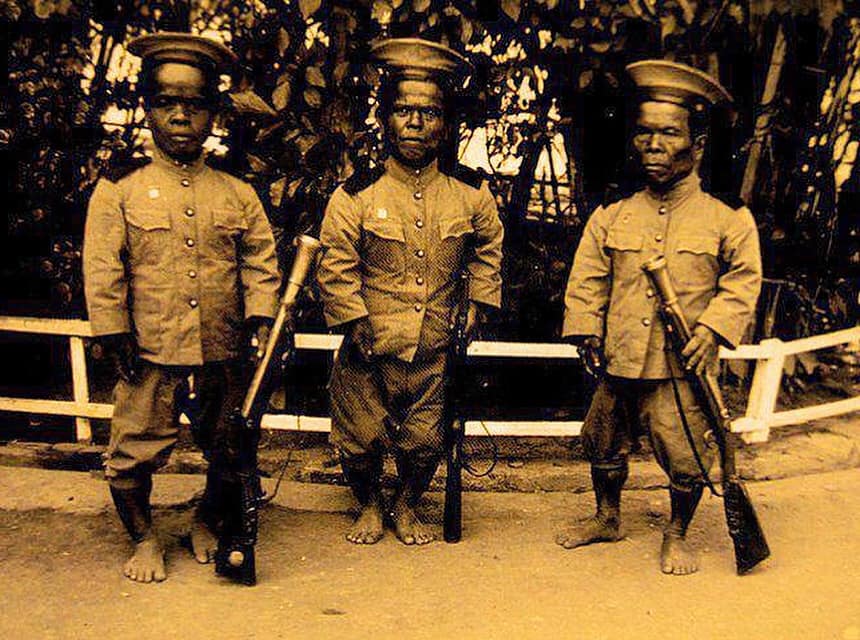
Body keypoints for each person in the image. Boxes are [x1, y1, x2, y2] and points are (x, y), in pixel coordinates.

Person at [83, 32, 280, 583]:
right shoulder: (119, 188)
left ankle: (205, 521)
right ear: (147, 108)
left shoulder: (237, 192)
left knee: (230, 444)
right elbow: (103, 266)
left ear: (213, 114)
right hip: (149, 349)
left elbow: (259, 260)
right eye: (167, 102)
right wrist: (111, 331)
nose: (180, 116)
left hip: (221, 348)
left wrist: (261, 318)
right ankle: (144, 539)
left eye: (194, 105)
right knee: (131, 452)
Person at [556, 60, 762, 574]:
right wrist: (586, 328)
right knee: (602, 438)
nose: (653, 144)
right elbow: (589, 275)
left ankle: (677, 533)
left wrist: (714, 330)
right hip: (621, 353)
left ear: (697, 143)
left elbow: (742, 280)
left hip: (680, 366)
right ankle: (607, 517)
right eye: (644, 132)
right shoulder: (614, 211)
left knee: (684, 450)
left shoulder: (725, 215)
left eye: (669, 133)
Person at [317, 38, 504, 546]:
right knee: (358, 440)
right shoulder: (356, 194)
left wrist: (480, 303)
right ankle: (371, 505)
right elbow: (335, 262)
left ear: (445, 123)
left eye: (429, 113)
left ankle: (405, 504)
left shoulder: (471, 193)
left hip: (435, 347)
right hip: (369, 346)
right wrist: (353, 320)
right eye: (404, 111)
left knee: (426, 441)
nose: (416, 124)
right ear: (386, 118)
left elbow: (489, 247)